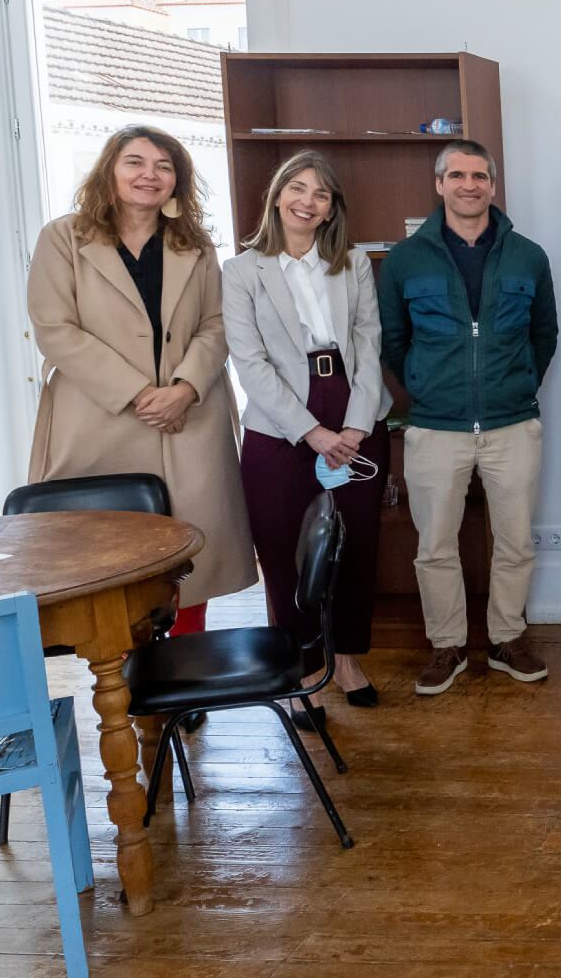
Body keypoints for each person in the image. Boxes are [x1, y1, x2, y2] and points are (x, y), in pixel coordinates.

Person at [26, 124, 256, 636]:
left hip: (189, 415)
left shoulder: (194, 243)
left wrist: (185, 388)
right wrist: (139, 394)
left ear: (177, 182)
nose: (149, 175)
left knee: (197, 548)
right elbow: (53, 328)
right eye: (135, 162)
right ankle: (126, 676)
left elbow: (217, 324)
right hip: (101, 417)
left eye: (164, 166)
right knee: (111, 557)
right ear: (110, 170)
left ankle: (186, 672)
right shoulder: (63, 237)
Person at [378, 140, 558, 696]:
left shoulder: (529, 255)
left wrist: (520, 384)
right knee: (434, 544)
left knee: (516, 542)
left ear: (493, 185)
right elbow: (392, 341)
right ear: (440, 184)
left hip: (512, 424)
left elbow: (544, 335)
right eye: (457, 175)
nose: (469, 185)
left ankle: (508, 638)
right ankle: (447, 645)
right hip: (435, 427)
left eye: (479, 175)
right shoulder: (406, 259)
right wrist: (430, 389)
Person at [225, 150, 392, 719]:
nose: (307, 201)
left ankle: (345, 659)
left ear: (330, 208)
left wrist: (355, 425)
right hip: (278, 424)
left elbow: (370, 345)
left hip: (353, 406)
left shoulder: (353, 262)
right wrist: (311, 431)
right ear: (276, 196)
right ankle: (302, 667)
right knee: (282, 550)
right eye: (296, 188)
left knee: (355, 542)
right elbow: (249, 364)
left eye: (320, 194)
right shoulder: (243, 271)